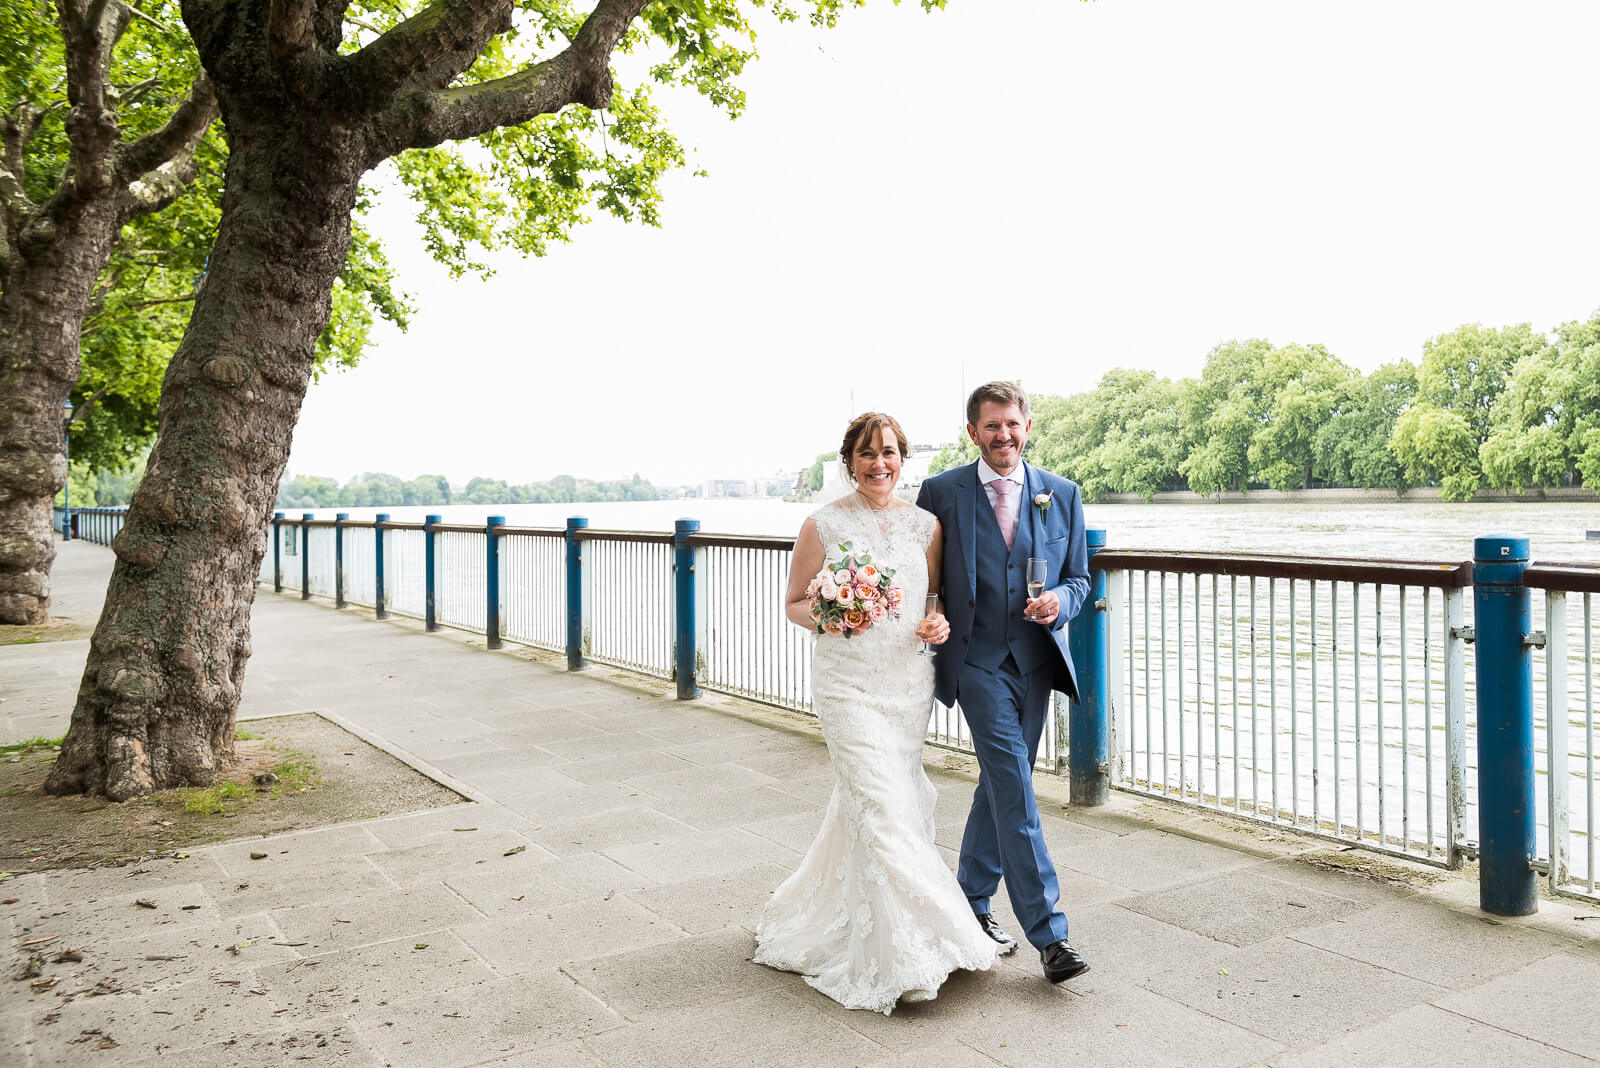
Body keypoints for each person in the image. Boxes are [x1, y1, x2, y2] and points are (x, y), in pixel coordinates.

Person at [753, 412, 1001, 1014]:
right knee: (883, 807)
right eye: (867, 454)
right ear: (850, 461)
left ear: (902, 457)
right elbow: (793, 604)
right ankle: (913, 950)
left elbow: (934, 598)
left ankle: (832, 912)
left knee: (882, 802)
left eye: (889, 452)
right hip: (847, 685)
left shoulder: (926, 526)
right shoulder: (822, 524)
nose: (879, 464)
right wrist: (835, 615)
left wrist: (937, 621)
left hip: (906, 683)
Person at [915, 380, 1092, 984]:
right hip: (976, 663)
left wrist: (1059, 607)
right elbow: (924, 578)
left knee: (998, 784)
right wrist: (931, 612)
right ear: (973, 433)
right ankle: (1051, 935)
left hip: (1035, 663)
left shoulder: (1061, 494)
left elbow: (1079, 580)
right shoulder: (941, 493)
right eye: (991, 426)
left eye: (1012, 424)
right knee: (1016, 786)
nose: (1003, 436)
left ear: (1028, 425)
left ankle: (971, 899)